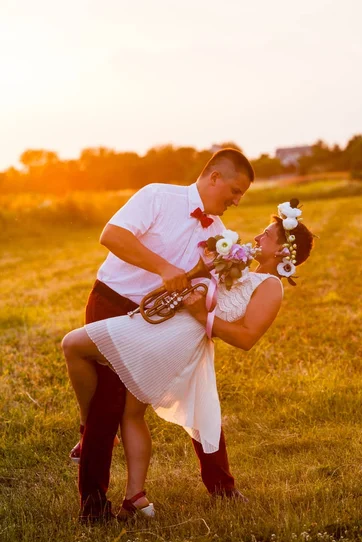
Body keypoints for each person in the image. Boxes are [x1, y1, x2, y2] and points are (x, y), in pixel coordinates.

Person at [62, 201, 315, 521]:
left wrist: (202, 316)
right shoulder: (243, 270)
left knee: (73, 344)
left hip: (177, 337)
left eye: (267, 235)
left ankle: (89, 435)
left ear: (280, 251)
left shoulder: (270, 287)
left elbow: (246, 338)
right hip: (172, 327)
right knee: (130, 412)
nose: (257, 237)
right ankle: (135, 497)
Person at [67, 149, 255, 522]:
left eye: (241, 196)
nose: (236, 200)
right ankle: (93, 505)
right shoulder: (157, 196)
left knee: (200, 390)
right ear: (213, 177)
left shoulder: (219, 234)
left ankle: (222, 487)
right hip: (112, 302)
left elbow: (215, 284)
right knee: (108, 403)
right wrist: (164, 268)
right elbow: (111, 235)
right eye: (234, 191)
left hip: (159, 319)